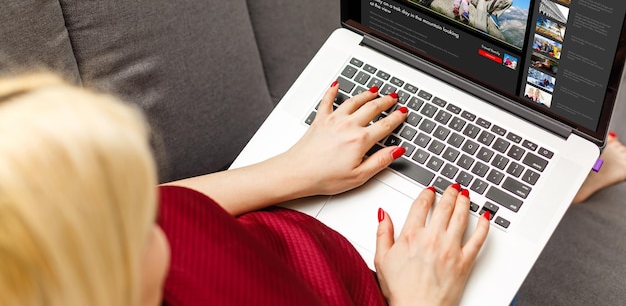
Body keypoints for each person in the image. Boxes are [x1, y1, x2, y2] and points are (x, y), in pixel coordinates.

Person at [0, 72, 490, 306]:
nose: (152, 209)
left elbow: (173, 204)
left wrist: (295, 168)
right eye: (131, 217)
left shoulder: (107, 249)